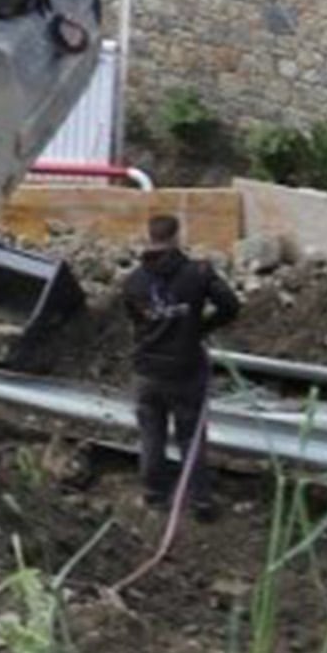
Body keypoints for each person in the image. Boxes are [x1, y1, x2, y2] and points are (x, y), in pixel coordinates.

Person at [121, 212, 243, 520]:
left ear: (150, 237)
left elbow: (135, 321)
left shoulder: (134, 281)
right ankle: (200, 501)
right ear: (176, 237)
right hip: (185, 369)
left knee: (151, 434)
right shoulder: (198, 273)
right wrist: (200, 327)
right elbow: (230, 305)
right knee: (191, 436)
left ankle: (154, 496)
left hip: (147, 370)